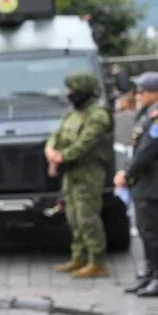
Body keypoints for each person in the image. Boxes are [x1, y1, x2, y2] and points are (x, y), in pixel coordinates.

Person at [44, 72, 114, 279]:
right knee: (73, 216)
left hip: (89, 172)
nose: (68, 94)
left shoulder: (98, 115)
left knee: (87, 217)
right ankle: (79, 256)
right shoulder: (72, 113)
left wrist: (59, 158)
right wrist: (51, 151)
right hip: (71, 171)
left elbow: (85, 144)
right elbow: (55, 136)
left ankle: (98, 262)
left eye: (72, 90)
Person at [118, 72, 158, 298]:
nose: (139, 95)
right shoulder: (149, 114)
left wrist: (126, 174)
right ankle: (151, 273)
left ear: (156, 93)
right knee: (146, 231)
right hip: (144, 180)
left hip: (153, 180)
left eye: (143, 91)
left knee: (155, 233)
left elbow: (146, 152)